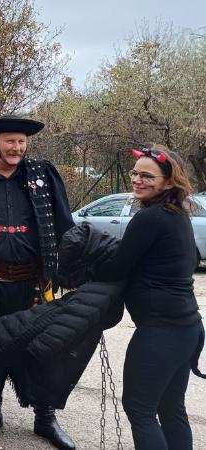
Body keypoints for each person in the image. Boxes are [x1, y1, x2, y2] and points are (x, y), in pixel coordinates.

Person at [0, 115, 77, 449]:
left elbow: (64, 223)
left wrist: (76, 268)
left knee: (44, 352)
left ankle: (45, 417)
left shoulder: (42, 174)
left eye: (21, 142)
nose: (17, 148)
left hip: (34, 284)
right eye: (10, 141)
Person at [92, 146, 204, 450]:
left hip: (161, 332)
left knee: (140, 410)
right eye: (135, 173)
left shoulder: (150, 218)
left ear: (168, 182)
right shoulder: (177, 215)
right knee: (171, 408)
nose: (138, 180)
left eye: (147, 175)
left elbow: (117, 267)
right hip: (188, 329)